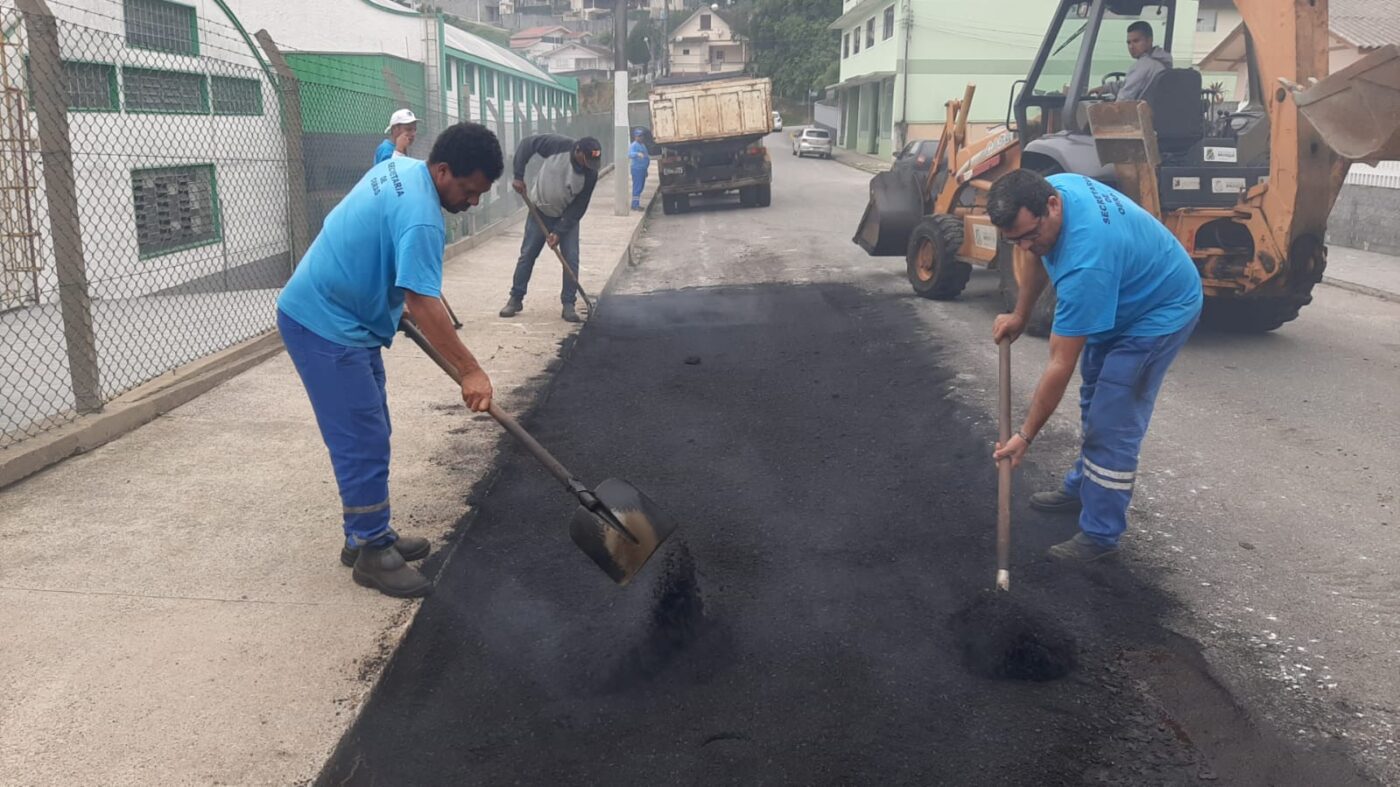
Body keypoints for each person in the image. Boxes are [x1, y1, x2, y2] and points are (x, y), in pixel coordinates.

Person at [278, 123, 504, 598]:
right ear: (442, 171)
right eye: (468, 190)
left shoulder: (398, 167)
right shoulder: (423, 218)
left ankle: (360, 534)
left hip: (347, 315)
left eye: (480, 193)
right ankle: (371, 552)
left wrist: (385, 298)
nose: (472, 202)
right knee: (361, 436)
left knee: (372, 427)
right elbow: (424, 302)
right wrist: (470, 370)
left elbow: (375, 237)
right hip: (324, 323)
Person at [987, 169, 1201, 562]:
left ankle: (1101, 534)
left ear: (1052, 205)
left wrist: (1025, 436)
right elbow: (1033, 253)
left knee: (1112, 419)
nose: (1026, 245)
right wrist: (1020, 313)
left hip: (1158, 310)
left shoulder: (1087, 264)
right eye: (1014, 239)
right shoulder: (1051, 191)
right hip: (1120, 293)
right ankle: (1084, 485)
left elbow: (1059, 364)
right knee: (1094, 396)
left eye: (1031, 234)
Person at [498, 134, 601, 323]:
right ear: (578, 150)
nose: (589, 165)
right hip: (539, 211)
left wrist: (559, 231)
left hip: (566, 218)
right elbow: (527, 144)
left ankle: (568, 304)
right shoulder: (558, 145)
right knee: (527, 254)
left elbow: (579, 206)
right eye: (586, 160)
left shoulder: (591, 174)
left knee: (570, 258)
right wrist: (518, 176)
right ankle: (516, 298)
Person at [1092, 21, 1172, 102]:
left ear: (1149, 40)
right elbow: (1129, 85)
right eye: (1129, 42)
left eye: (1136, 41)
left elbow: (1124, 99)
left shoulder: (1144, 65)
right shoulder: (1160, 62)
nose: (1131, 46)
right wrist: (1107, 88)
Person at [629, 128, 650, 211]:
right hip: (637, 169)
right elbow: (630, 154)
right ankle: (635, 205)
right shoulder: (634, 145)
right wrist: (637, 154)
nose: (641, 138)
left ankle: (636, 204)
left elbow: (645, 157)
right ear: (635, 137)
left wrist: (646, 170)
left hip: (642, 169)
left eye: (642, 136)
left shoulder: (642, 145)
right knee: (637, 187)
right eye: (639, 136)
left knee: (641, 187)